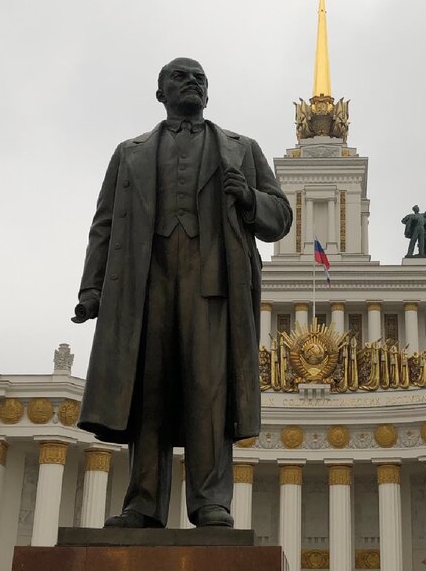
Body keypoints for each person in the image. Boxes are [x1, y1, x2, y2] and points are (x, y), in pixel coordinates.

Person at [73, 58, 292, 528]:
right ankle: (143, 502)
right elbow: (104, 225)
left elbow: (280, 218)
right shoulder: (129, 153)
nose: (191, 82)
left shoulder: (241, 148)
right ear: (160, 94)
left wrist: (250, 197)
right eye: (180, 76)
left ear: (208, 94)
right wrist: (91, 289)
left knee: (208, 390)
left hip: (213, 285)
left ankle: (211, 501)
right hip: (145, 284)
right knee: (148, 391)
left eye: (200, 78)